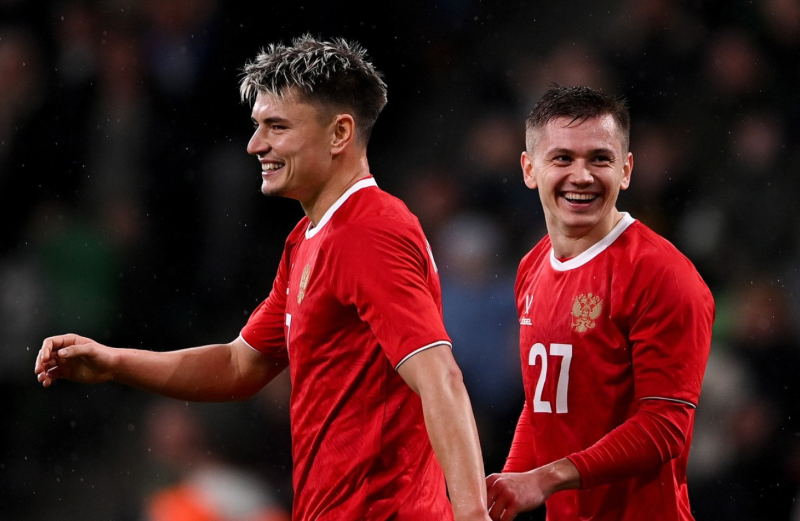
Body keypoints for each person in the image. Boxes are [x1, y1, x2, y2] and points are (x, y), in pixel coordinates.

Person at [35, 35, 490, 521]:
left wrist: (472, 515)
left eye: (277, 126)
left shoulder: (369, 231)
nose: (256, 144)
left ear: (340, 133)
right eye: (258, 126)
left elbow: (440, 376)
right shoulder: (308, 239)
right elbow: (239, 365)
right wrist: (114, 362)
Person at [485, 86, 715, 520]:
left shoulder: (663, 274)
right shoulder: (532, 267)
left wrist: (546, 478)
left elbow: (665, 426)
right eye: (562, 158)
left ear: (625, 170)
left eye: (600, 159)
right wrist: (506, 489)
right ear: (529, 169)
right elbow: (543, 405)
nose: (582, 176)